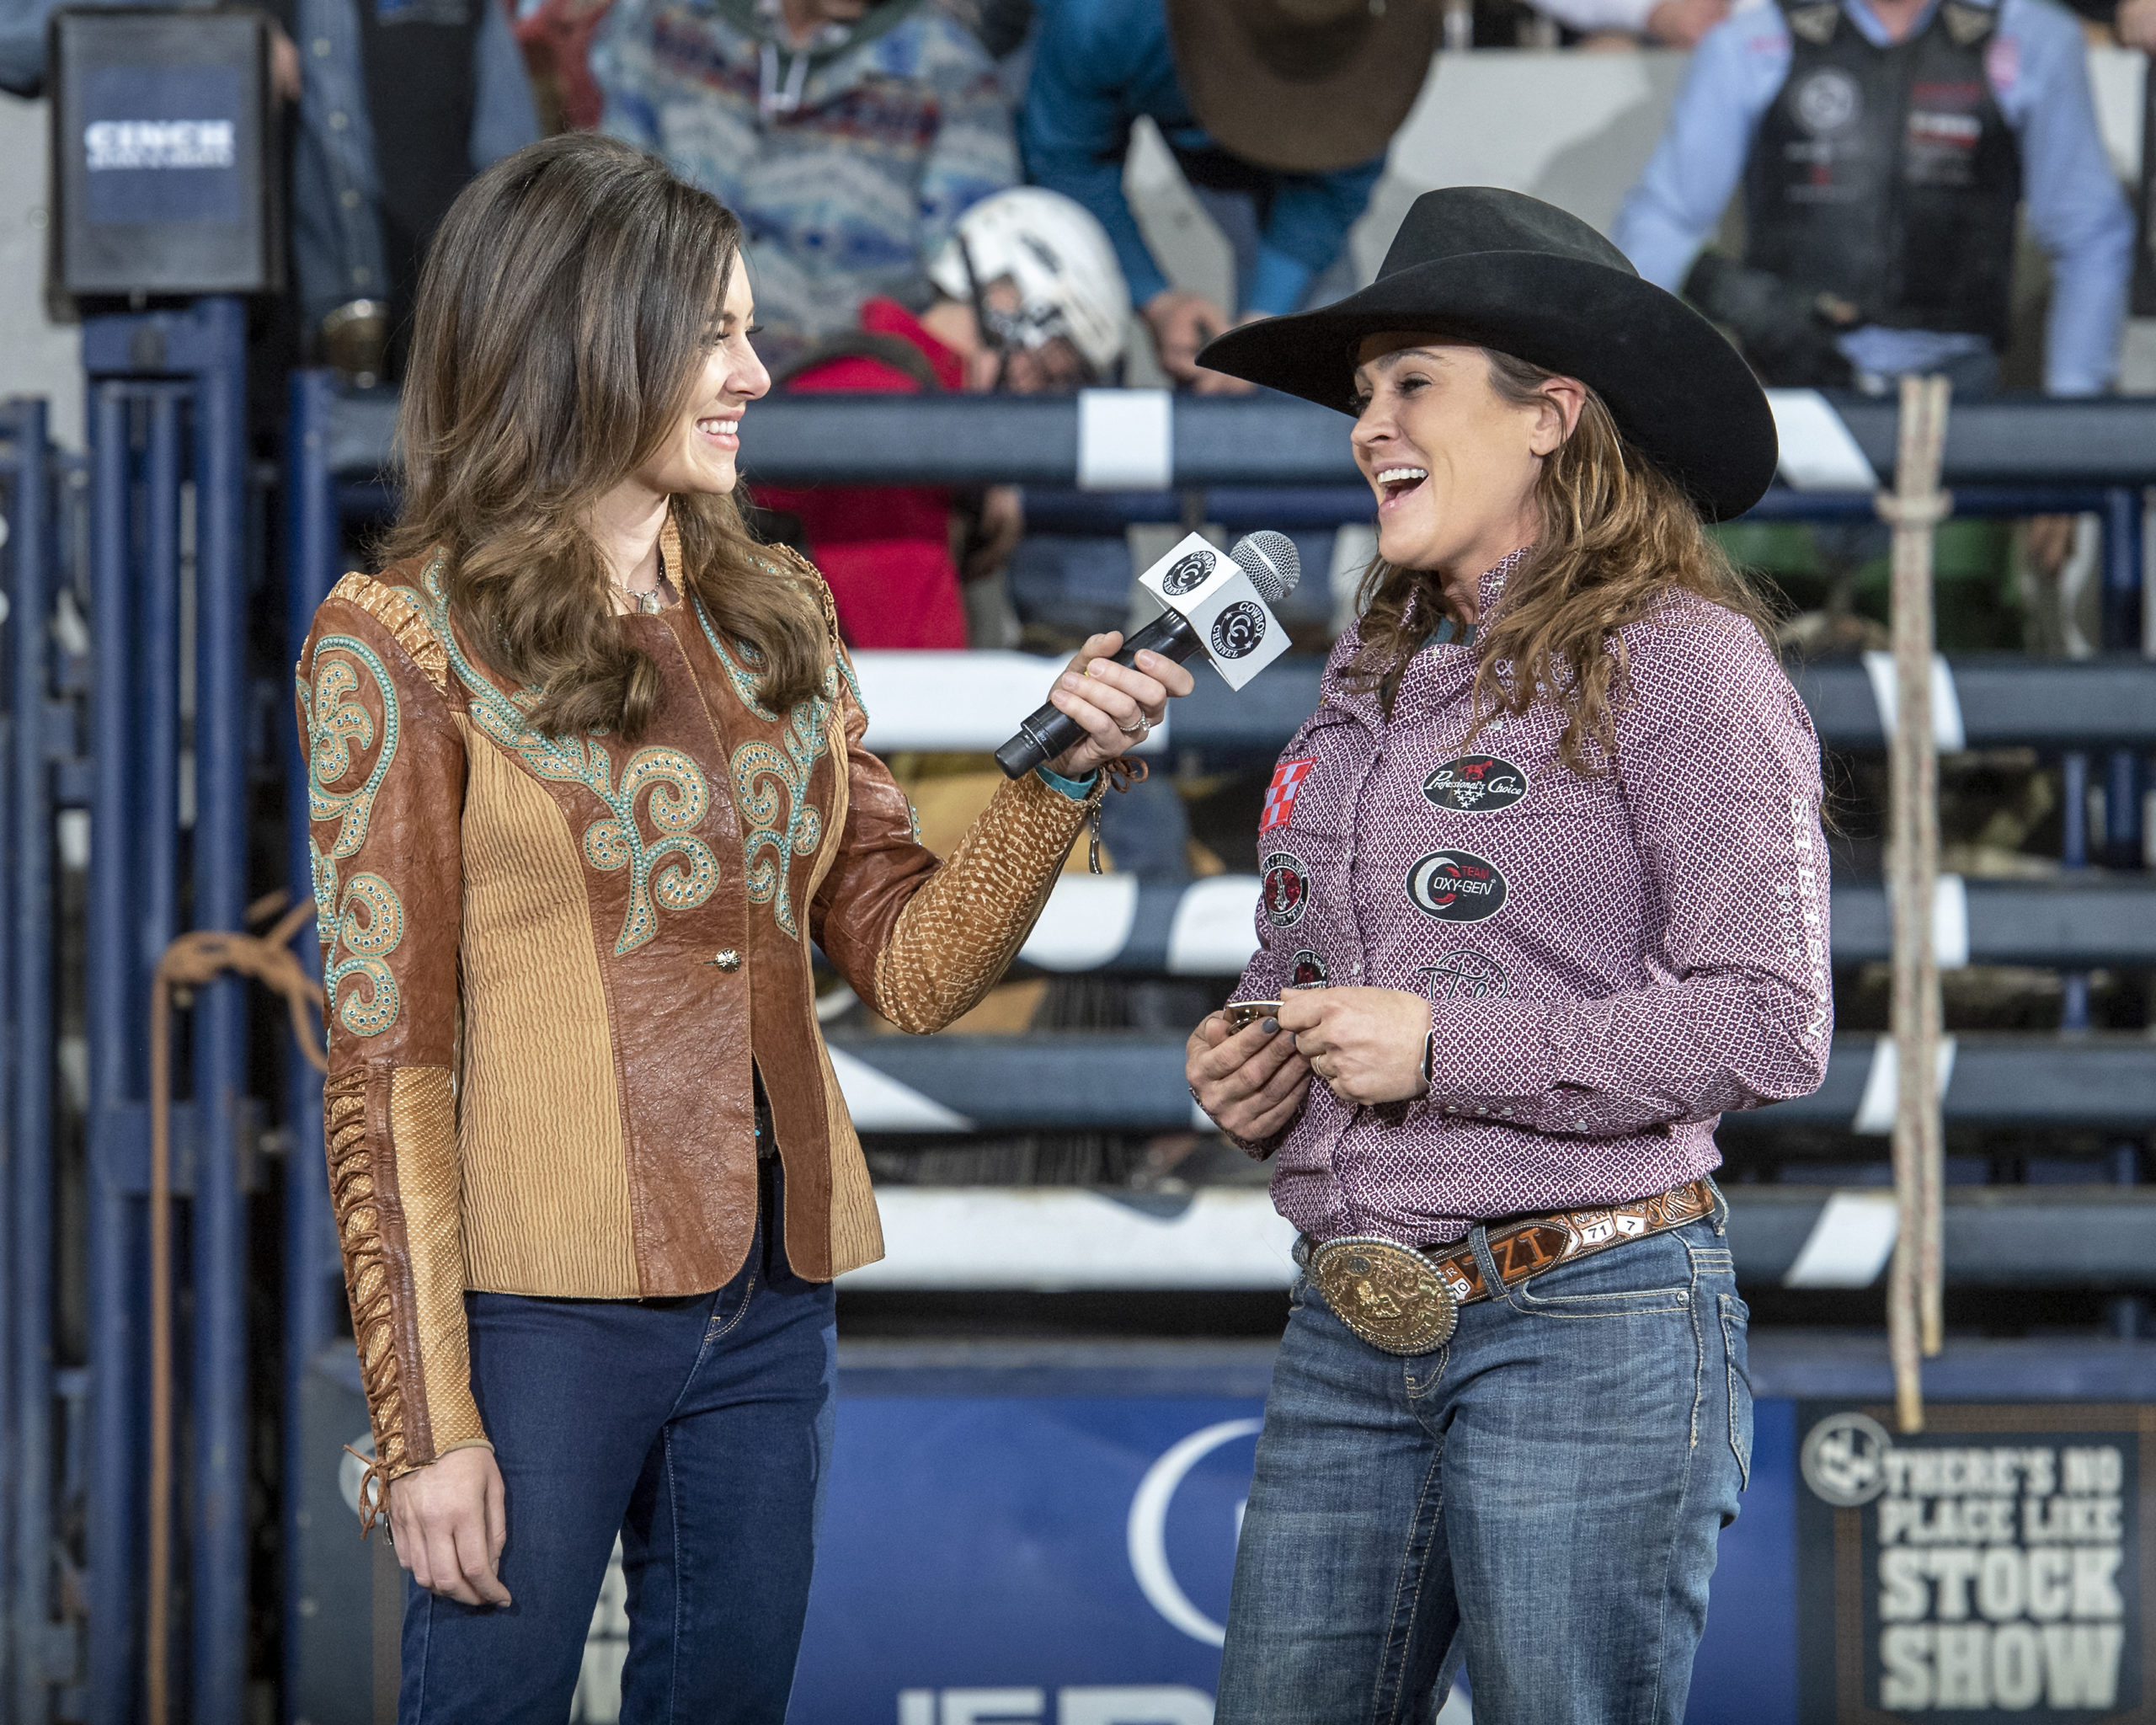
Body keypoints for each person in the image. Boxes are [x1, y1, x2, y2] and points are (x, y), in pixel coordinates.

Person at [295, 133, 1189, 1722]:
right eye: (717, 332)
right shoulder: (395, 638)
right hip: (532, 1308)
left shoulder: (781, 604)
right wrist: (429, 1420)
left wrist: (1058, 774)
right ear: (591, 335)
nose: (760, 373)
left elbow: (911, 968)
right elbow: (381, 1063)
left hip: (776, 1295)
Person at [1183, 187, 1830, 1720]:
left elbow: (1773, 1019)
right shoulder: (1372, 665)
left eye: (1412, 383)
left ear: (1550, 414)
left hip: (1588, 1323)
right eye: (1363, 396)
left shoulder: (1689, 662)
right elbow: (1322, 957)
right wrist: (1254, 1046)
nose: (1368, 425)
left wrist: (1440, 1048)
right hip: (1350, 1318)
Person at [1613, 0, 2132, 397]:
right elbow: (1659, 223)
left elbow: (2090, 234)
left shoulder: (2031, 39)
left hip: (1961, 396)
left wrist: (2074, 411)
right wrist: (1741, 297)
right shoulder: (1753, 41)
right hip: (1785, 391)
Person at [751, 185, 1131, 650]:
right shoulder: (886, 411)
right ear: (1009, 305)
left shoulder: (886, 393)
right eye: (1052, 366)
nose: (1039, 394)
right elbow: (915, 667)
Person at [1021, 0, 1438, 393]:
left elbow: (1332, 191)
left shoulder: (1368, 44)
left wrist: (1262, 325)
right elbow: (1065, 161)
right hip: (1093, 60)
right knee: (1050, 311)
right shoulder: (1101, 18)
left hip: (1190, 72)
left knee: (1313, 339)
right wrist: (1154, 299)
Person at [593, 0, 1018, 366]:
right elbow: (609, 210)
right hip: (661, 366)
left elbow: (971, 295)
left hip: (836, 404)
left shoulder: (954, 76)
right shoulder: (668, 22)